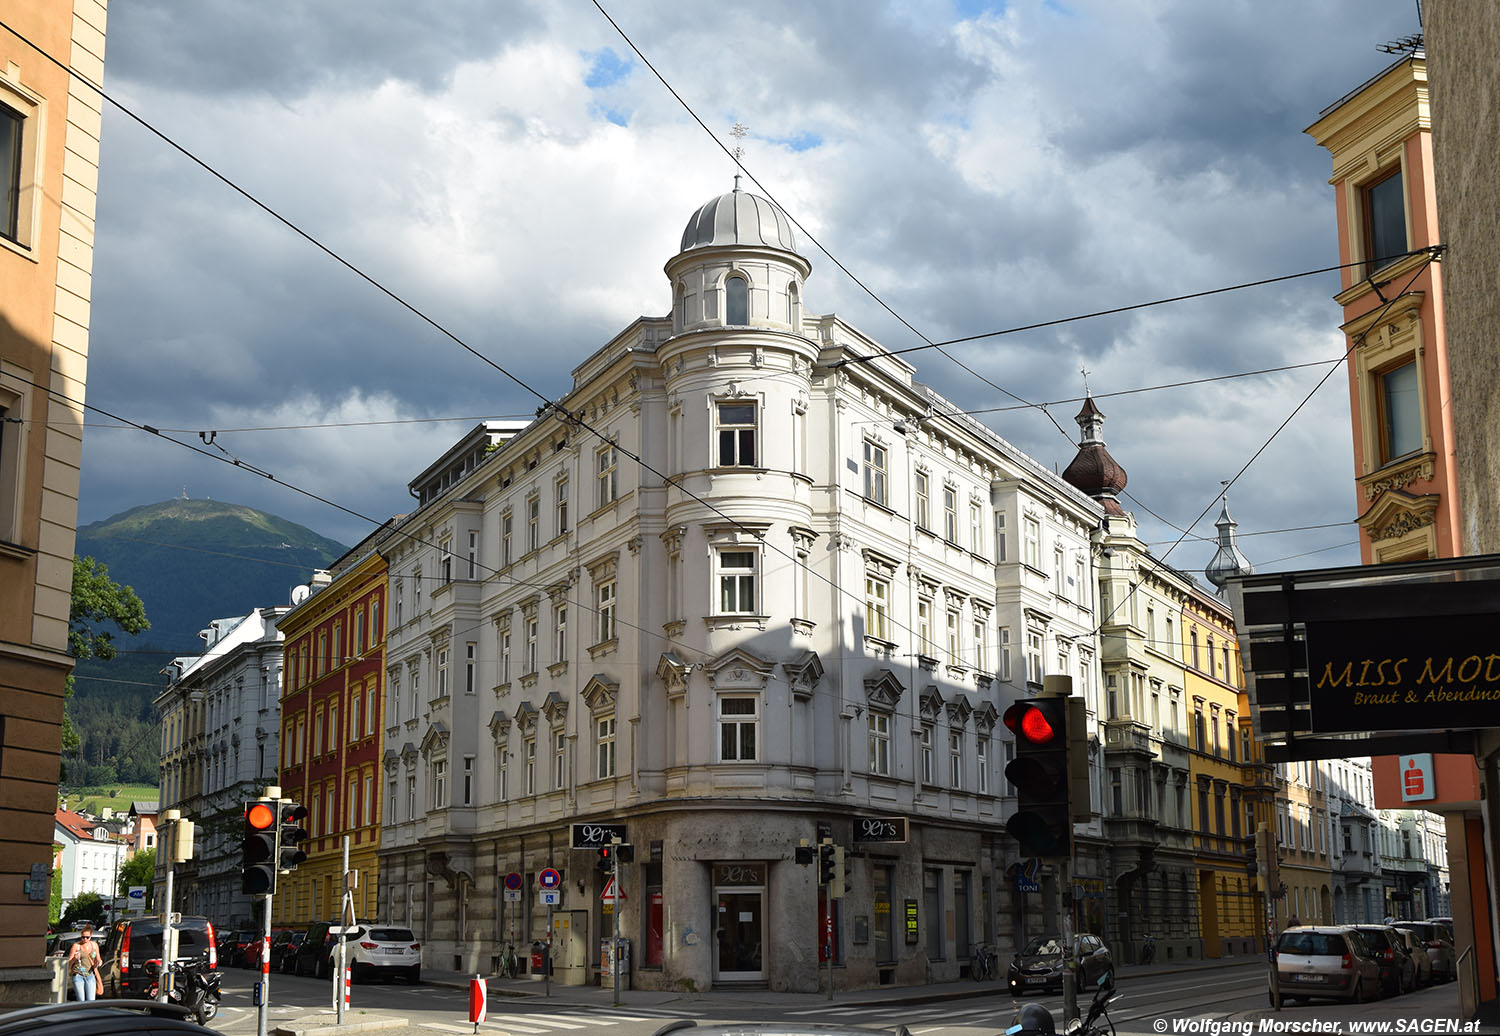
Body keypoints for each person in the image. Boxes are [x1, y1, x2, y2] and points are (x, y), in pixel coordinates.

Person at [67, 923, 103, 1001]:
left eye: (87, 937)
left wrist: (99, 963)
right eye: (83, 937)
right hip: (78, 975)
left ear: (90, 936)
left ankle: (89, 1013)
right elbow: (68, 963)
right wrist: (75, 959)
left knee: (91, 1000)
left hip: (90, 975)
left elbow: (99, 959)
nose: (85, 939)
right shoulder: (76, 946)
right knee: (81, 1000)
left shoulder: (94, 945)